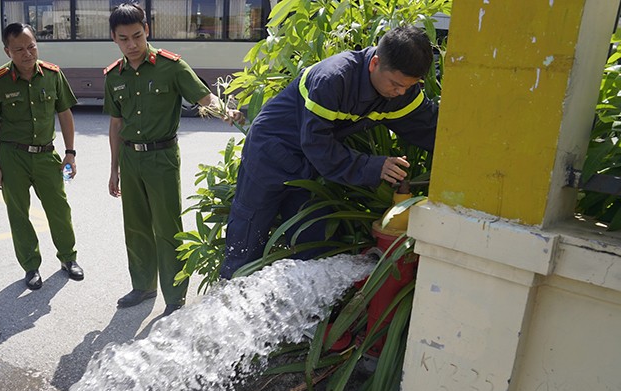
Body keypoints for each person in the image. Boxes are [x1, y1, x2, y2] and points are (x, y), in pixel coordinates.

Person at [219, 25, 439, 279]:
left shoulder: (402, 92)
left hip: (308, 164)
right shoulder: (333, 78)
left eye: (408, 87)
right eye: (396, 84)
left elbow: (430, 129)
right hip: (269, 152)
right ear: (375, 63)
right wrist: (373, 167)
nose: (400, 93)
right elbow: (317, 145)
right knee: (247, 237)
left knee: (313, 240)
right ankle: (229, 298)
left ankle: (303, 311)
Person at [104, 3, 243, 317]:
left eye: (137, 36)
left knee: (167, 227)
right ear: (114, 38)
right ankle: (143, 286)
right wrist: (113, 169)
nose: (132, 44)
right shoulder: (115, 76)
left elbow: (204, 97)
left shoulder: (172, 66)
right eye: (124, 38)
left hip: (162, 157)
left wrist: (226, 112)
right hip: (130, 158)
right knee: (136, 226)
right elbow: (115, 124)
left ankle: (175, 295)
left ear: (147, 30)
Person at [0, 23, 83, 290]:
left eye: (31, 46)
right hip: (12, 156)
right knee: (18, 213)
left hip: (47, 155)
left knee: (59, 209)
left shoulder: (52, 74)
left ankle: (68, 258)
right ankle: (31, 266)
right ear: (7, 51)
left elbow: (65, 114)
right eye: (19, 49)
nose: (27, 53)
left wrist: (70, 153)